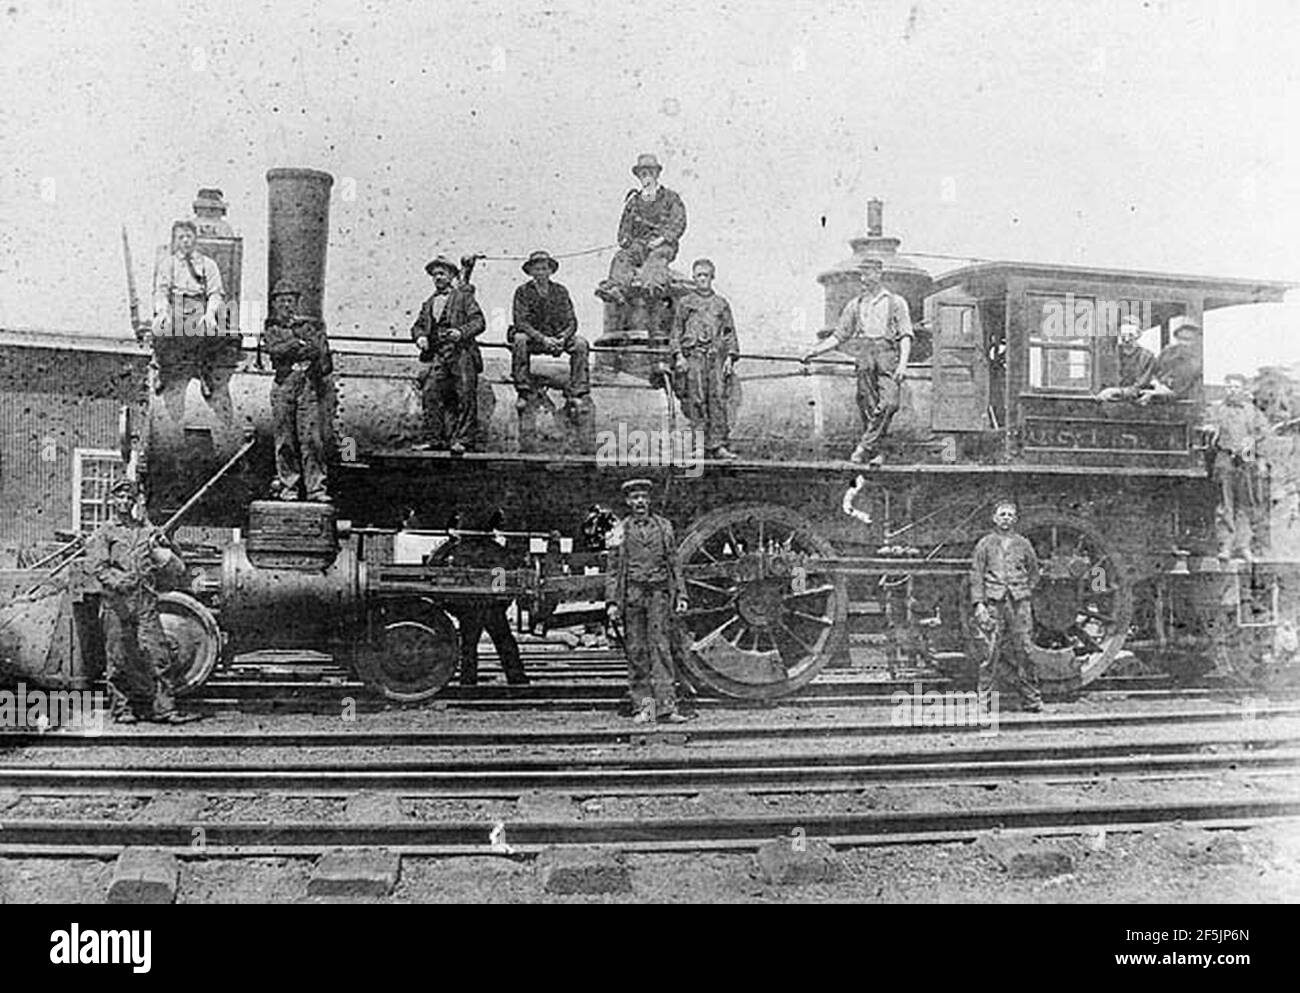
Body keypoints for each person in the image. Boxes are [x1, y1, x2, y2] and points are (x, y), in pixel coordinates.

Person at [85, 479, 200, 725]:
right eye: (120, 498)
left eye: (130, 499)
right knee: (118, 659)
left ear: (135, 502)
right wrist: (120, 582)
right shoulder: (104, 533)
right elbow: (98, 568)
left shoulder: (147, 531)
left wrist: (164, 541)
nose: (125, 502)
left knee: (159, 655)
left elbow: (174, 562)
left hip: (145, 601)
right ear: (111, 501)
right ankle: (122, 709)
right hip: (116, 603)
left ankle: (165, 709)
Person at [802, 257, 913, 465]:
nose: (863, 279)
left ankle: (864, 447)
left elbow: (906, 334)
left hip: (887, 354)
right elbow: (839, 336)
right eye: (861, 274)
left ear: (879, 273)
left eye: (867, 273)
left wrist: (903, 364)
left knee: (890, 403)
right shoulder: (855, 305)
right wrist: (814, 351)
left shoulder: (896, 302)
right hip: (864, 355)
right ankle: (877, 453)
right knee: (868, 406)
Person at [604, 478, 688, 724]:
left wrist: (681, 594)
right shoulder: (619, 530)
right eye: (634, 498)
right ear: (627, 502)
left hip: (659, 596)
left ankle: (666, 708)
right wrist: (611, 602)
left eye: (643, 497)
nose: (639, 502)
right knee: (637, 653)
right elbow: (612, 570)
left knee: (661, 649)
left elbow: (675, 564)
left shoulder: (665, 527)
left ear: (649, 500)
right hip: (633, 596)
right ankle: (645, 708)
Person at [428, 508, 529, 686]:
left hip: (469, 608)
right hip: (491, 607)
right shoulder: (497, 552)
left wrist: (450, 541)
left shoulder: (457, 550)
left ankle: (468, 682)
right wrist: (499, 606)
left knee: (469, 646)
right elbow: (501, 585)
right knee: (505, 644)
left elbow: (433, 567)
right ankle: (517, 680)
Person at [262, 279, 333, 502]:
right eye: (282, 301)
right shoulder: (272, 328)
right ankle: (288, 486)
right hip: (284, 385)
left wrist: (297, 347)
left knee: (311, 439)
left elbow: (319, 351)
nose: (286, 305)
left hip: (307, 386)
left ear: (296, 303)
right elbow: (275, 350)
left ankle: (316, 488)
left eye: (290, 301)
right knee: (285, 440)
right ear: (275, 304)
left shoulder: (307, 327)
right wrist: (298, 345)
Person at [969, 501, 1043, 713]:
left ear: (1016, 519)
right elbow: (976, 575)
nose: (1006, 518)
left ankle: (1032, 699)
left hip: (1019, 603)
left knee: (1026, 651)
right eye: (1002, 514)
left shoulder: (1023, 544)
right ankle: (984, 701)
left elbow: (1034, 573)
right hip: (994, 602)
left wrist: (1024, 590)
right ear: (994, 518)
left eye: (1010, 515)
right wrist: (979, 604)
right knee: (989, 652)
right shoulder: (985, 544)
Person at [410, 255, 486, 454]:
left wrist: (461, 332)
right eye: (434, 275)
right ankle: (434, 439)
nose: (438, 278)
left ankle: (464, 440)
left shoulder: (463, 297)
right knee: (430, 392)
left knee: (466, 395)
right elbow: (417, 326)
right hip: (440, 355)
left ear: (452, 275)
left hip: (462, 353)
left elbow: (479, 322)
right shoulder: (429, 302)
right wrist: (420, 338)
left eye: (442, 273)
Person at [671, 258, 740, 460]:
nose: (703, 279)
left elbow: (729, 333)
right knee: (697, 400)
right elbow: (676, 332)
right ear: (694, 277)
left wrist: (730, 358)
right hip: (694, 357)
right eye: (699, 275)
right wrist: (679, 356)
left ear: (712, 277)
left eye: (706, 275)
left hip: (715, 358)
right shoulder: (685, 303)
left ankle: (718, 446)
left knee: (717, 400)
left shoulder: (721, 304)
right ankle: (699, 446)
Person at [596, 154, 687, 304]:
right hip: (639, 246)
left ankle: (652, 289)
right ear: (638, 176)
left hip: (662, 245)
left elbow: (678, 222)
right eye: (643, 174)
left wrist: (661, 239)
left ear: (657, 174)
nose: (647, 177)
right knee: (622, 257)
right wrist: (626, 240)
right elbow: (624, 229)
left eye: (650, 173)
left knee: (655, 262)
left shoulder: (670, 198)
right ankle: (616, 289)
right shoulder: (634, 202)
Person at [151, 219, 226, 397]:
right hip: (176, 307)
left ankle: (204, 372)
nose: (185, 241)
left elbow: (216, 293)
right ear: (175, 240)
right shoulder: (168, 264)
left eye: (189, 236)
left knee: (214, 331)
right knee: (159, 329)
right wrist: (163, 311)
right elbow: (161, 291)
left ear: (195, 238)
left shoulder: (208, 264)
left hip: (199, 306)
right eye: (181, 237)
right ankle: (163, 371)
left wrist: (210, 314)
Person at [1206, 373, 1272, 562]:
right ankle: (1225, 545)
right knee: (1225, 504)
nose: (1232, 390)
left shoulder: (1252, 411)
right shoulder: (1217, 409)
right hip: (1224, 457)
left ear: (1243, 389)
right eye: (1228, 387)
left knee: (1246, 504)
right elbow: (1209, 430)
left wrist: (1256, 455)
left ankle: (1243, 546)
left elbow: (1263, 435)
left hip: (1246, 458)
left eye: (1236, 387)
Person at [510, 249, 589, 399]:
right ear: (531, 272)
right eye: (537, 269)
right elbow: (521, 322)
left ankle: (578, 388)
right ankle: (523, 385)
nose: (541, 272)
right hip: (534, 338)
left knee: (580, 343)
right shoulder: (522, 291)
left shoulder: (560, 291)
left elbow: (572, 321)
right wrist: (543, 339)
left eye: (544, 268)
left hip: (557, 338)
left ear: (551, 271)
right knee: (519, 339)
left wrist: (563, 338)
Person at [1138, 322, 1203, 405]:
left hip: (1184, 400)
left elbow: (1184, 388)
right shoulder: (1168, 352)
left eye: (1188, 339)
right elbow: (1154, 370)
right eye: (1180, 338)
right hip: (1159, 389)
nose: (1183, 343)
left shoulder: (1197, 360)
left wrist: (1160, 392)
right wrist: (1156, 384)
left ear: (1196, 340)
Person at [1096, 316, 1156, 402]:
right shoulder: (1112, 354)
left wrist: (1119, 391)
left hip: (1136, 401)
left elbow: (1142, 384)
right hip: (1109, 399)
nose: (1127, 339)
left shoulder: (1147, 357)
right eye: (1123, 335)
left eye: (1130, 335)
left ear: (1138, 335)